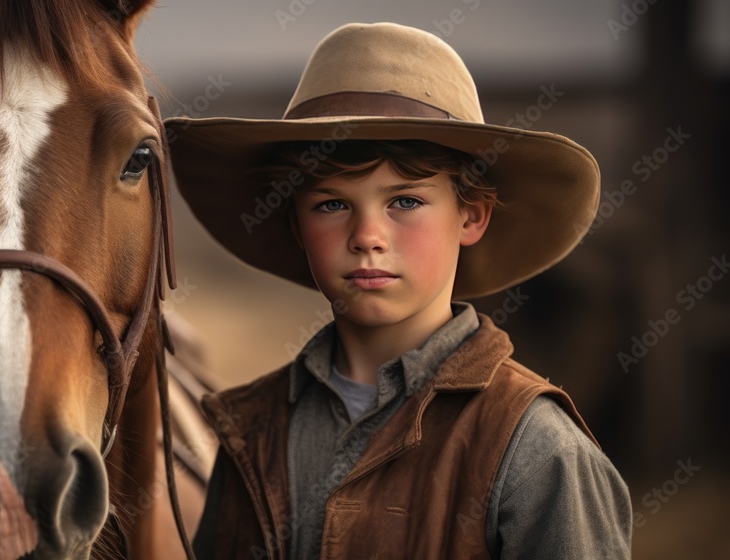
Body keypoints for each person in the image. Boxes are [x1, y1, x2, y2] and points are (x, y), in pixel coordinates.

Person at [164, 22, 632, 560]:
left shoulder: (537, 450)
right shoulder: (249, 429)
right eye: (331, 204)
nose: (367, 238)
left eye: (405, 202)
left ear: (472, 216)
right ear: (295, 226)